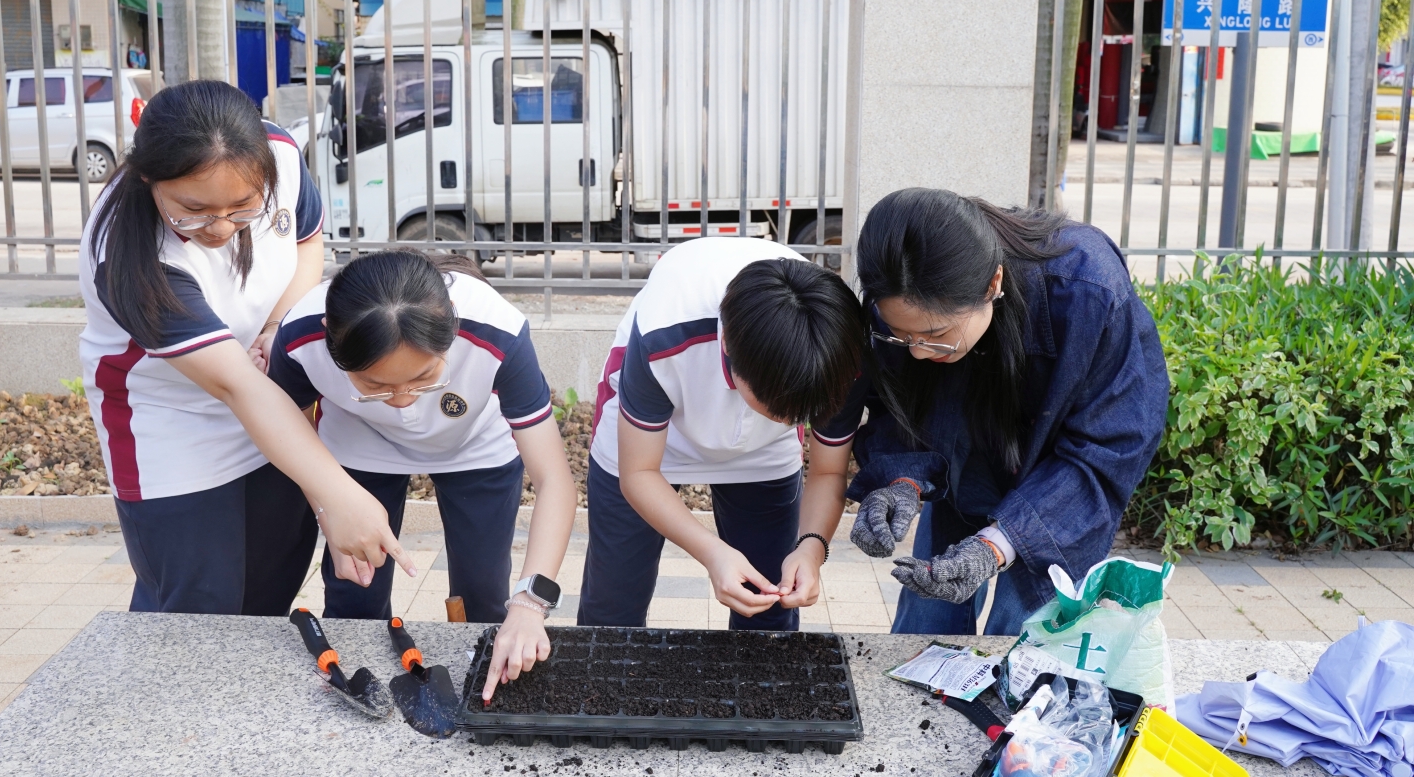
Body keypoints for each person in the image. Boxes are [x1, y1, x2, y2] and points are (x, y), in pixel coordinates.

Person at [79, 80, 413, 616]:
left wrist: (279, 321)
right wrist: (337, 495)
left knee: (267, 594)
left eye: (242, 209)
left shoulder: (278, 153)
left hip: (268, 399)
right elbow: (235, 385)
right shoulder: (129, 255)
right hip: (171, 428)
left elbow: (307, 243)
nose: (220, 228)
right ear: (148, 177)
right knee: (195, 612)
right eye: (193, 210)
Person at [847, 188, 1168, 635]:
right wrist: (900, 482)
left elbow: (1109, 446)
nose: (917, 353)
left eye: (936, 335)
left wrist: (996, 547)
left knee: (1019, 641)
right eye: (903, 336)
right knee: (924, 624)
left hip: (1056, 489)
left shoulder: (1086, 287)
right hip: (963, 466)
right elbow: (896, 403)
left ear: (992, 283)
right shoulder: (896, 288)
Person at [266, 248, 576, 700]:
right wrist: (328, 506)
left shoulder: (498, 331)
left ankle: (478, 689)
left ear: (452, 328)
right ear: (329, 342)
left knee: (484, 595)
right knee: (356, 593)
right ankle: (361, 699)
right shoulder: (300, 335)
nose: (403, 400)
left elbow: (555, 482)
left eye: (424, 377)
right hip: (359, 440)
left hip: (474, 443)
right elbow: (282, 427)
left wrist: (531, 603)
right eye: (375, 385)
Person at [578, 237, 867, 631]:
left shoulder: (836, 353)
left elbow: (828, 472)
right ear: (727, 344)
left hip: (764, 458)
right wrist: (713, 553)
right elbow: (638, 473)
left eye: (801, 417)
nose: (789, 424)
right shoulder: (665, 333)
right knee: (612, 608)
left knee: (771, 608)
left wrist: (812, 547)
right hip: (644, 448)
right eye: (778, 411)